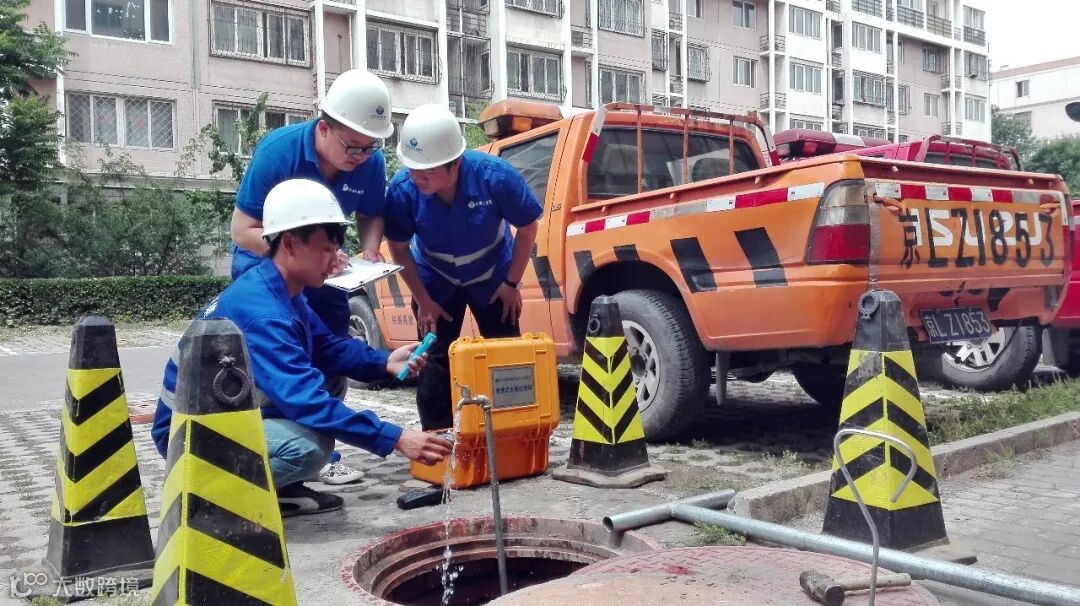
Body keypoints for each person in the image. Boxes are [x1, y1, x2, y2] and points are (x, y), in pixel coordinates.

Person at [152, 179, 452, 517]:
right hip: (188, 436)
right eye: (326, 250)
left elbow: (327, 347)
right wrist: (396, 438)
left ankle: (278, 491)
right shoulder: (264, 313)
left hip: (217, 415)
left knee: (326, 391)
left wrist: (384, 362)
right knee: (308, 447)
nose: (337, 261)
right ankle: (210, 496)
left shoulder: (283, 289)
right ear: (290, 243)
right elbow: (306, 402)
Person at [228, 69, 394, 485]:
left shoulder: (369, 162)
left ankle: (320, 453)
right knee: (280, 370)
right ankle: (269, 451)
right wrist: (300, 260)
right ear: (324, 128)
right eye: (353, 147)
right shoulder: (279, 152)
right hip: (268, 268)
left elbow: (372, 212)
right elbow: (242, 230)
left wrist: (369, 251)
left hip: (326, 270)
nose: (361, 157)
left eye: (370, 148)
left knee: (329, 351)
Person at [384, 104, 543, 431]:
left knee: (505, 357)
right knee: (432, 362)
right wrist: (423, 300)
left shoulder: (495, 177)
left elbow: (528, 228)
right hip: (434, 282)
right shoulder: (402, 190)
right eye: (412, 169)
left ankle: (509, 435)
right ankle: (438, 440)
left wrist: (511, 284)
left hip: (493, 278)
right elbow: (398, 249)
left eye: (427, 172)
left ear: (454, 163)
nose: (417, 178)